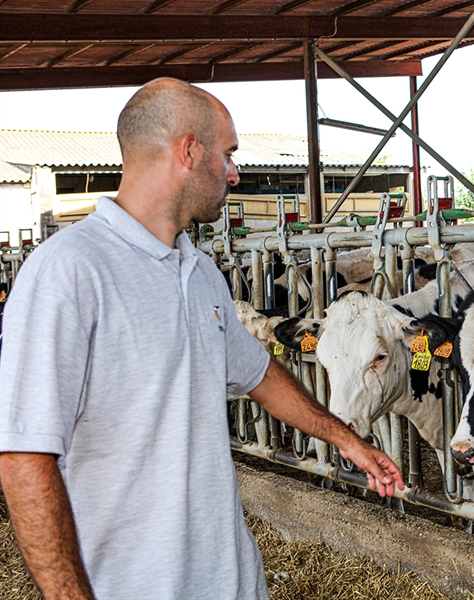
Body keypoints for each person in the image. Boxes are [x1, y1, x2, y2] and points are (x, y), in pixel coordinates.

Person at [0, 78, 404, 600]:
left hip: (228, 575)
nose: (235, 172)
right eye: (228, 154)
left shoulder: (200, 272)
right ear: (189, 151)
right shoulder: (70, 271)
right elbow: (23, 457)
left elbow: (257, 373)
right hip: (132, 584)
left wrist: (347, 440)